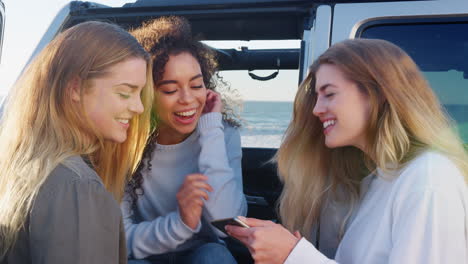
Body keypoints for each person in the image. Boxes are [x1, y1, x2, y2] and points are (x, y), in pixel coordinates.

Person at [226, 38, 468, 264]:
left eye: (329, 94)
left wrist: (294, 255)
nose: (316, 110)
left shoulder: (428, 180)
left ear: (378, 94)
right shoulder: (379, 179)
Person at [0, 21, 154, 263]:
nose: (138, 107)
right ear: (75, 88)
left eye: (140, 93)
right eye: (125, 92)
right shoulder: (77, 186)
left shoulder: (31, 166)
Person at [121, 16, 247, 264]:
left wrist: (211, 131)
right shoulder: (124, 141)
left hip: (203, 253)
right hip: (146, 255)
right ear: (145, 94)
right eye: (170, 90)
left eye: (196, 85)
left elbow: (228, 225)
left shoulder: (223, 135)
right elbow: (122, 240)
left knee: (215, 255)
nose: (188, 99)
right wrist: (180, 223)